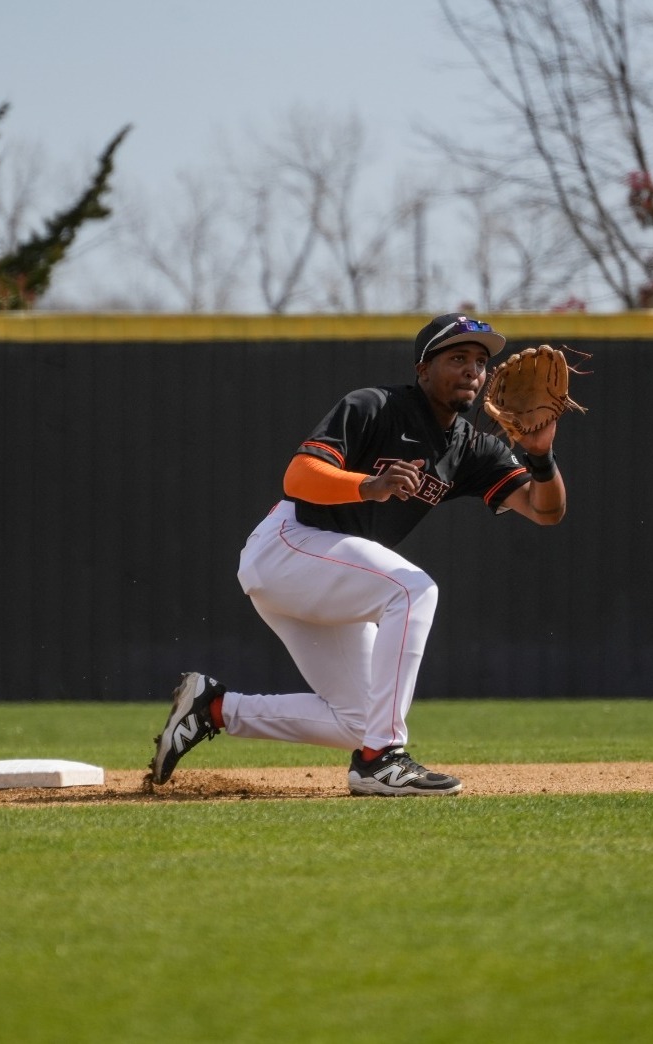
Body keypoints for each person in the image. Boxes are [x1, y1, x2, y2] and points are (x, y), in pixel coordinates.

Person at [150, 313, 570, 796]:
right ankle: (381, 760)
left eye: (480, 360)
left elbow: (545, 511)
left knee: (359, 719)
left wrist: (541, 455)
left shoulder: (473, 449)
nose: (473, 369)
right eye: (457, 357)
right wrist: (368, 486)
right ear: (422, 368)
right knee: (414, 590)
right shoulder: (376, 405)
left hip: (330, 578)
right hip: (290, 543)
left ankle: (214, 709)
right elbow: (298, 475)